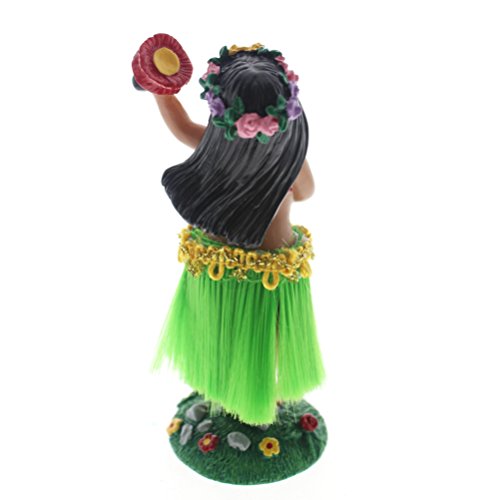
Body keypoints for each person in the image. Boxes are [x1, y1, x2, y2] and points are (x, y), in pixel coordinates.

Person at [138, 40, 327, 483]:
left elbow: (182, 128)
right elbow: (307, 192)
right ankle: (251, 401)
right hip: (271, 269)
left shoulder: (218, 153)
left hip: (219, 265)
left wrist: (161, 91)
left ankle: (233, 398)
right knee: (266, 339)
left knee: (218, 333)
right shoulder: (288, 159)